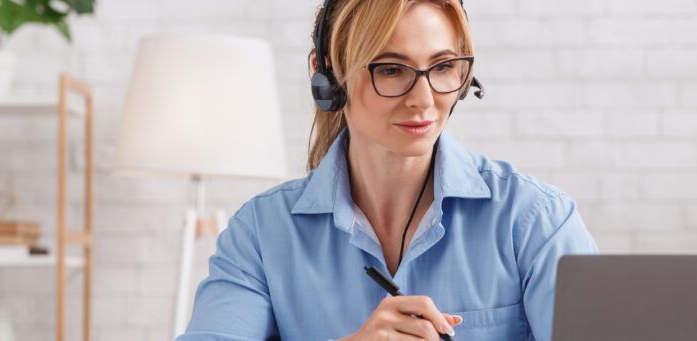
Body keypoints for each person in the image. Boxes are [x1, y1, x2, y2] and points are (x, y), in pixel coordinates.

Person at [177, 0, 598, 340]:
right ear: (326, 73)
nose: (422, 98)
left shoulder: (536, 222)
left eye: (442, 68)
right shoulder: (262, 233)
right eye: (391, 69)